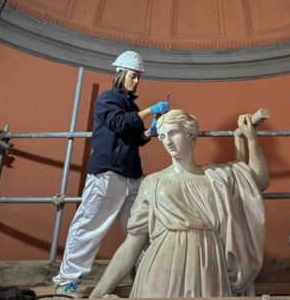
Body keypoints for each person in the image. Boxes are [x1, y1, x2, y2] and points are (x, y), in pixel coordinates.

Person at [90, 109, 269, 298]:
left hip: (207, 266)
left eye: (173, 133)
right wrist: (98, 293)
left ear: (190, 134)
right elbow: (132, 244)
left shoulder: (217, 177)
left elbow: (259, 181)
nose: (167, 141)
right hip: (161, 267)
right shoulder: (152, 182)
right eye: (162, 136)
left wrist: (252, 140)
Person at [52, 51, 169, 296]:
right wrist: (149, 111)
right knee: (89, 226)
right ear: (120, 73)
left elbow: (135, 138)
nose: (136, 81)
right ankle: (66, 281)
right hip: (107, 174)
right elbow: (118, 123)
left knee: (140, 229)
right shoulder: (107, 99)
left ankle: (149, 277)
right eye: (133, 76)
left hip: (131, 176)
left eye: (138, 77)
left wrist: (150, 132)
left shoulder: (132, 106)